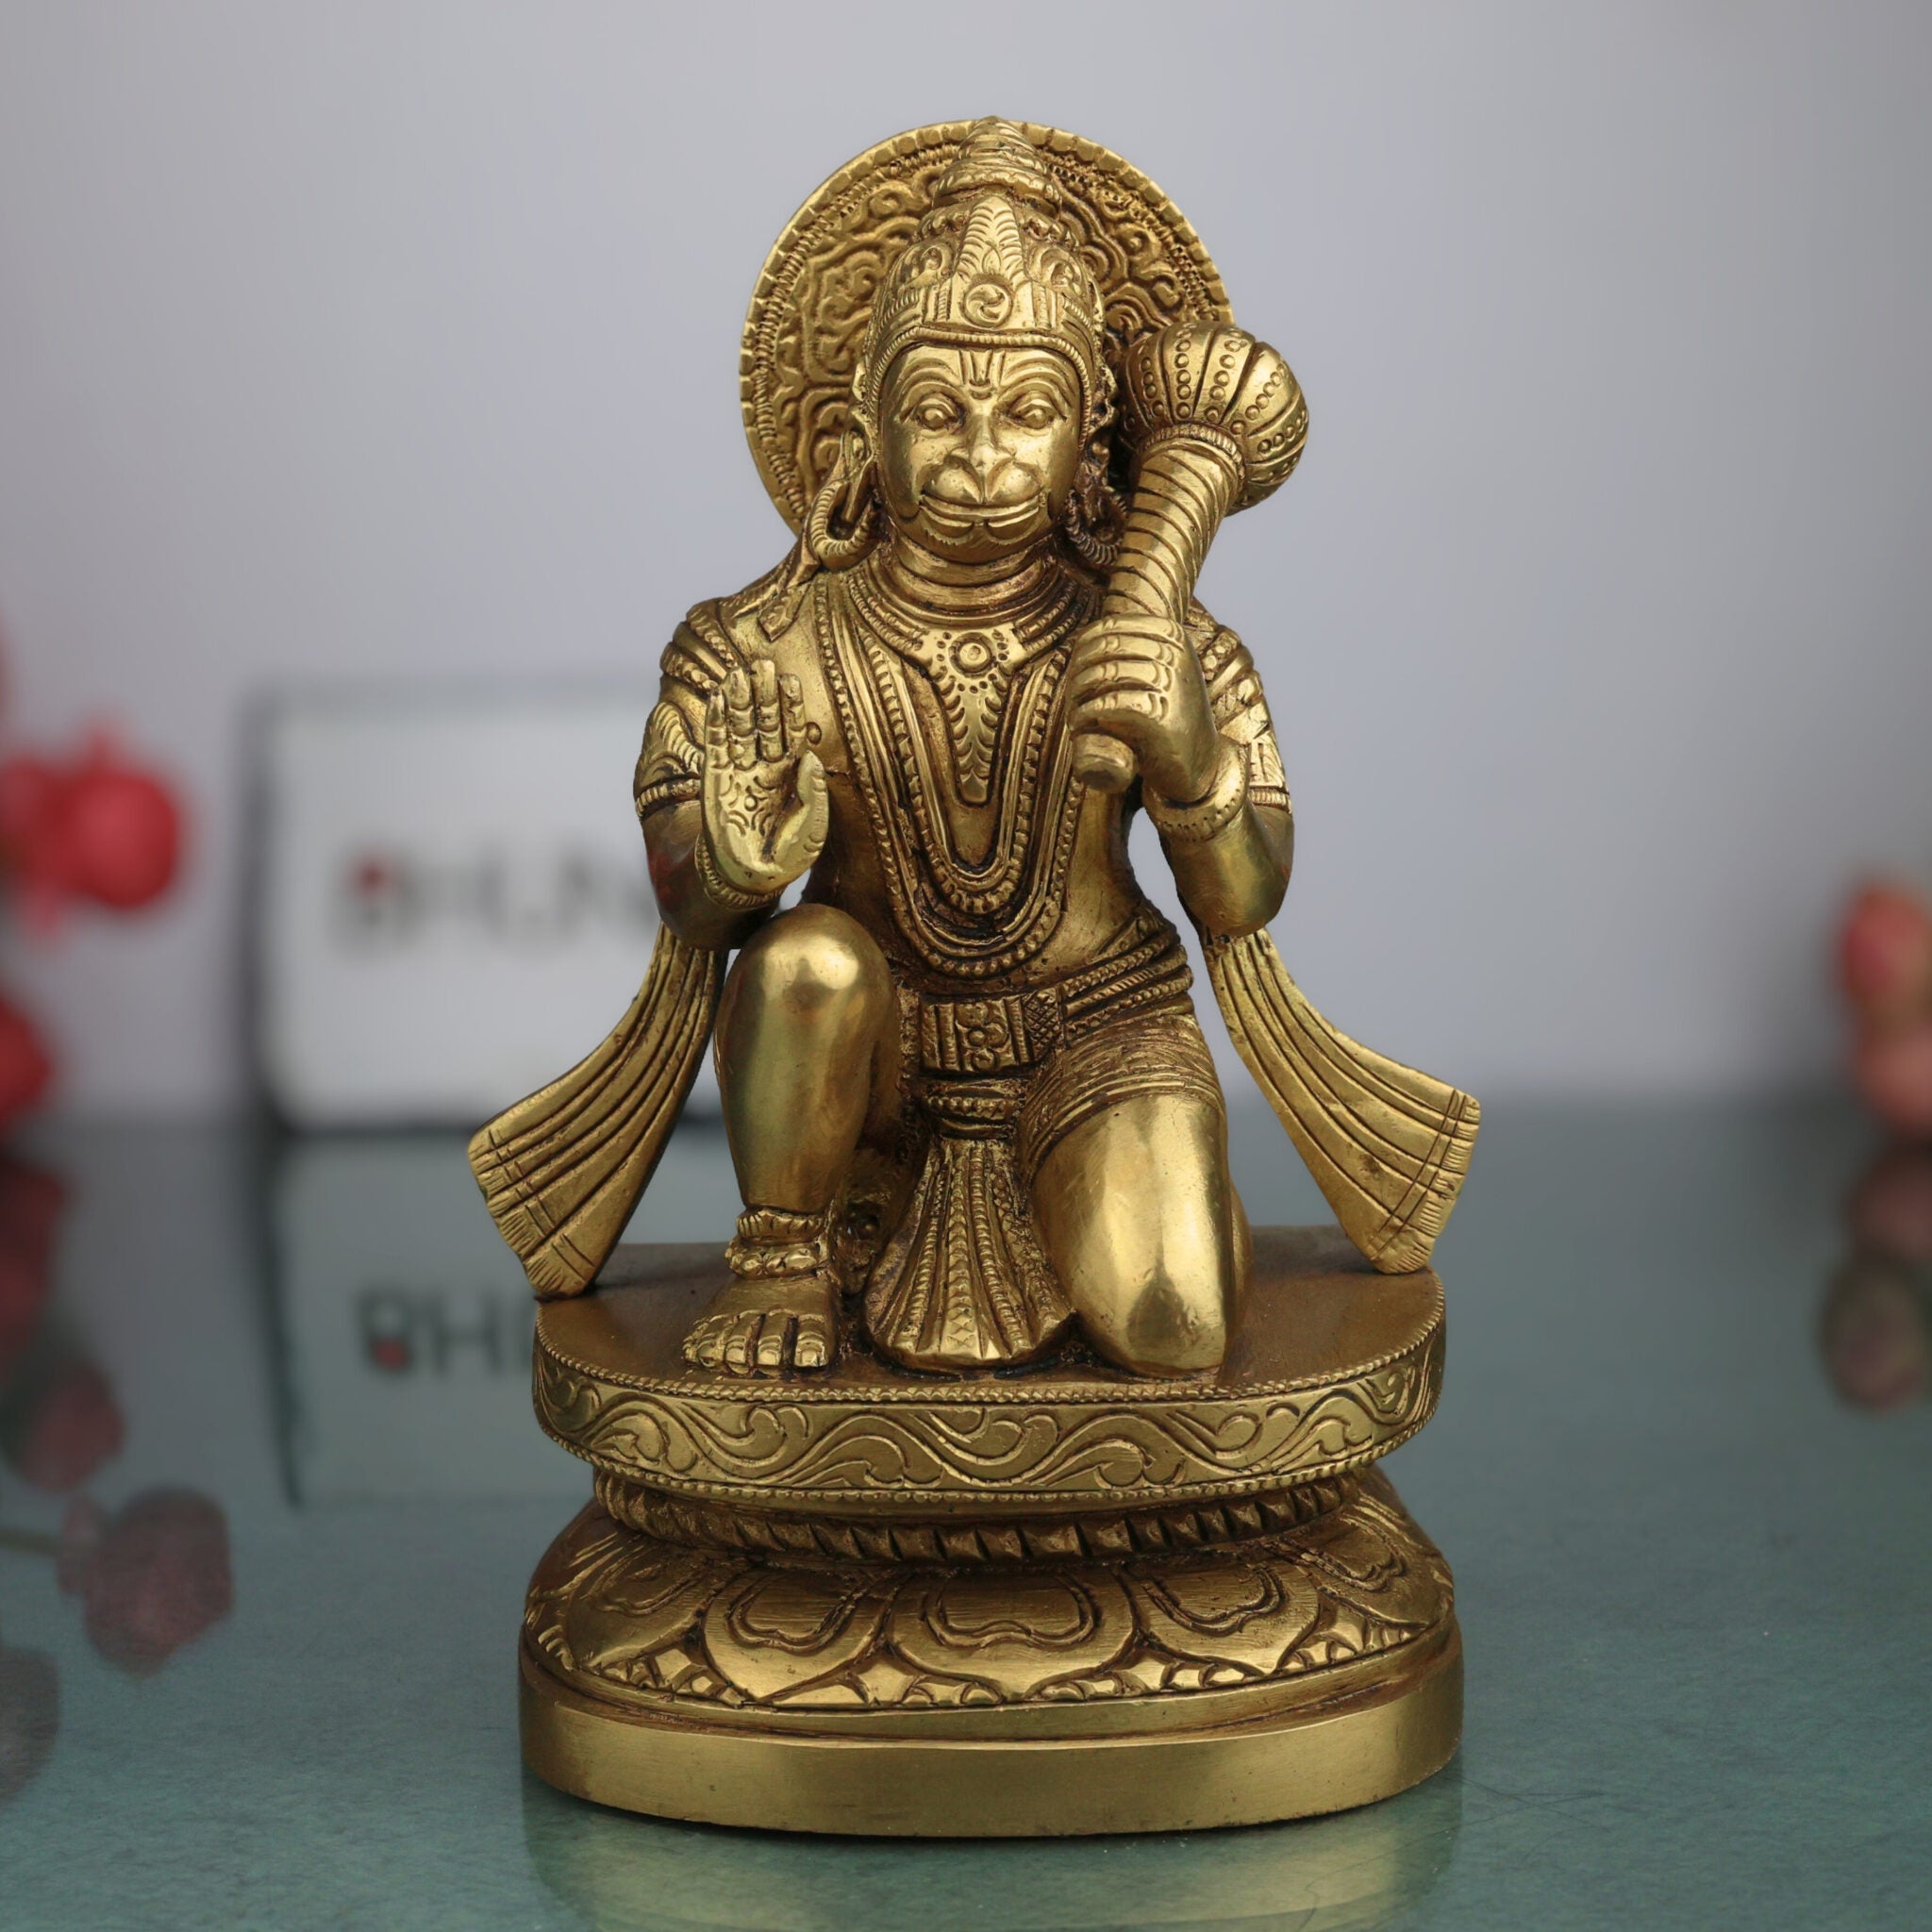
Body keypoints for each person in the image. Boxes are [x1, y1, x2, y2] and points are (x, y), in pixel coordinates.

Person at [633, 123, 1294, 1376]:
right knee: (804, 962)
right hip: (873, 1065)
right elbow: (683, 890)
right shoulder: (760, 645)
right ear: (861, 429)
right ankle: (786, 1259)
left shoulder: (1168, 644)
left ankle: (1142, 1194)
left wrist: (1192, 764)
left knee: (1178, 1327)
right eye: (938, 411)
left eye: (1029, 412)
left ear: (1092, 437)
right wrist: (728, 860)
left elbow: (1247, 896)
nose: (983, 457)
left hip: (1097, 1027)